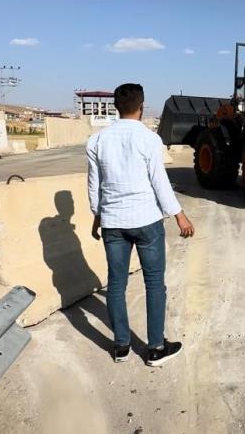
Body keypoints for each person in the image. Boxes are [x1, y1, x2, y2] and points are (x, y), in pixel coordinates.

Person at [86, 83, 195, 366]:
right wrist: (179, 214)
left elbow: (94, 185)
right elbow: (159, 181)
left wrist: (97, 215)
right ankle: (156, 348)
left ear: (115, 107)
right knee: (155, 284)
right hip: (146, 221)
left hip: (113, 222)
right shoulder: (149, 140)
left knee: (116, 285)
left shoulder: (97, 141)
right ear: (142, 106)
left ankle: (121, 346)